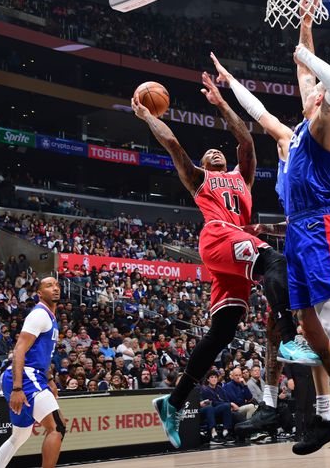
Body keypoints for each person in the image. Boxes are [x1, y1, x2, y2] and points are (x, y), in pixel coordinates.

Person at [215, 0, 330, 466]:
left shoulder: (327, 126)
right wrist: (233, 81)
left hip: (322, 228)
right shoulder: (290, 135)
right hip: (298, 234)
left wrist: (305, 54)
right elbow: (261, 112)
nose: (307, 87)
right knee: (310, 324)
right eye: (308, 85)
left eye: (311, 86)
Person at [136, 65, 318, 450]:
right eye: (208, 153)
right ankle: (288, 339)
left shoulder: (243, 176)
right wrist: (150, 117)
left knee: (223, 332)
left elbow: (245, 140)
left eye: (217, 150)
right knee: (275, 262)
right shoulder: (200, 179)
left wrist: (221, 102)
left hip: (233, 250)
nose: (213, 152)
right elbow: (174, 145)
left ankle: (172, 402)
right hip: (219, 237)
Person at [0, 277, 65, 468]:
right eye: (49, 286)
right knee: (57, 427)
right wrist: (17, 388)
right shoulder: (39, 314)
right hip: (25, 376)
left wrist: (49, 378)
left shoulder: (50, 316)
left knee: (19, 436)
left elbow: (40, 355)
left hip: (32, 375)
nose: (55, 288)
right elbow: (19, 350)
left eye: (57, 285)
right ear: (40, 293)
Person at [199, 370, 234, 443]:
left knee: (227, 405)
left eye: (215, 377)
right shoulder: (205, 389)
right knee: (211, 407)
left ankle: (226, 432)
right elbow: (212, 403)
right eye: (212, 377)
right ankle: (214, 434)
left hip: (218, 408)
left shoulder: (220, 388)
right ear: (208, 379)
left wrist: (229, 404)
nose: (214, 379)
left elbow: (227, 400)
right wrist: (226, 404)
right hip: (210, 409)